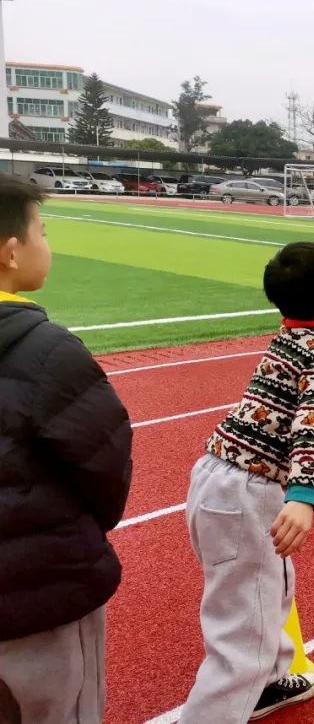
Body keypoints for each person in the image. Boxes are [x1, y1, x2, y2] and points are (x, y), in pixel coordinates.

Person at [179, 242, 314, 723]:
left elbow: (312, 370)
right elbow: (311, 425)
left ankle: (271, 681)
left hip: (215, 477)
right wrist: (304, 498)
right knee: (241, 642)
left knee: (275, 585)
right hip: (247, 492)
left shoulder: (293, 335)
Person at [0, 174, 133, 724]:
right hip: (41, 596)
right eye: (43, 231)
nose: (45, 244)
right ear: (11, 251)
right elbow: (105, 464)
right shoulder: (48, 351)